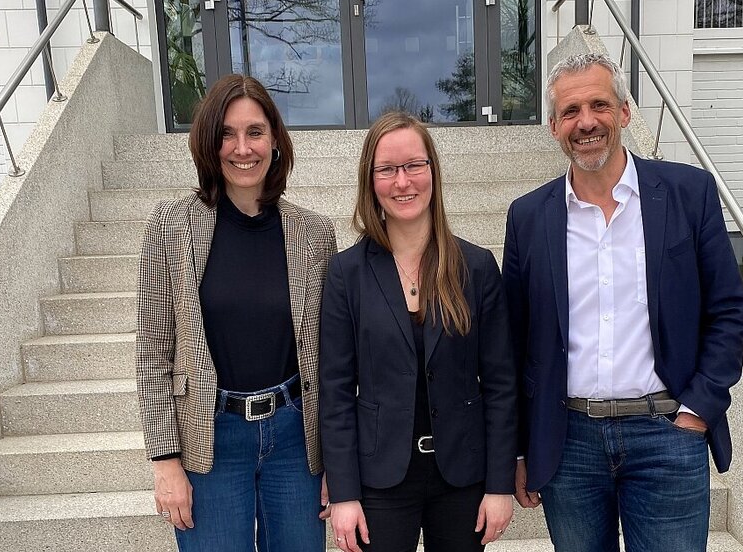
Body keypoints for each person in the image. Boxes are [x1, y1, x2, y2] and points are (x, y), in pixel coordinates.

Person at [502, 53, 743, 552]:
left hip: (667, 433)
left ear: (624, 112)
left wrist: (699, 409)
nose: (586, 122)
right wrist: (519, 447)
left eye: (599, 105)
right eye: (570, 111)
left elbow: (727, 309)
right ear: (553, 126)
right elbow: (514, 341)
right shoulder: (528, 217)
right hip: (569, 443)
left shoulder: (688, 193)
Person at [135, 74, 336, 551]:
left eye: (255, 132)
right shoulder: (171, 226)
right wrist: (165, 462)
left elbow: (331, 358)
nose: (242, 148)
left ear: (275, 141)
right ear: (208, 143)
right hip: (211, 438)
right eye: (226, 133)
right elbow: (152, 351)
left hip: (295, 437)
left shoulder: (315, 234)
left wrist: (338, 463)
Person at [318, 112, 517, 552]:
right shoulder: (346, 273)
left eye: (413, 165)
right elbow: (334, 390)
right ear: (371, 180)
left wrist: (500, 485)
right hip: (381, 479)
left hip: (462, 476)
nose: (402, 181)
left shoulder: (477, 267)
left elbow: (502, 385)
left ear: (433, 171)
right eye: (387, 169)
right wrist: (346, 493)